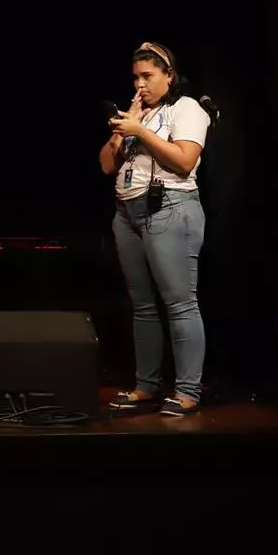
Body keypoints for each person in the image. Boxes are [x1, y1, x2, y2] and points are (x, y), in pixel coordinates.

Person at [101, 41, 211, 417]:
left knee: (180, 303)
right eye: (136, 78)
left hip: (169, 206)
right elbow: (106, 165)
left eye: (148, 76)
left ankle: (188, 391)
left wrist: (141, 132)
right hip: (127, 212)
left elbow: (184, 160)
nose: (140, 85)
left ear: (169, 76)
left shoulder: (187, 108)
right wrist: (123, 130)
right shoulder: (139, 115)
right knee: (143, 307)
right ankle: (146, 386)